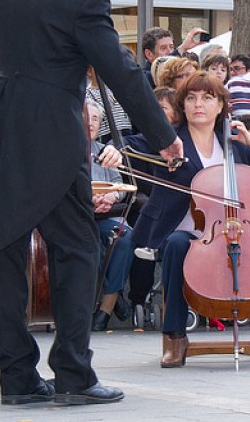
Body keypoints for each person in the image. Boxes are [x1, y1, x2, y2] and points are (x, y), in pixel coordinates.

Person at [0, 0, 181, 405]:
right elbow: (122, 72)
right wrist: (163, 135)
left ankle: (16, 377)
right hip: (53, 133)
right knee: (79, 248)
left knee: (6, 248)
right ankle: (73, 373)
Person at [124, 72, 250, 366]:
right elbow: (131, 146)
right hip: (185, 231)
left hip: (237, 232)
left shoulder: (234, 145)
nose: (199, 105)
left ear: (221, 105)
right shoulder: (170, 140)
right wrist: (110, 149)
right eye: (192, 98)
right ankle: (175, 337)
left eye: (208, 98)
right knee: (177, 245)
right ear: (182, 106)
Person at [84, 102, 138, 331]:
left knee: (126, 237)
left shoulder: (105, 151)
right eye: (86, 117)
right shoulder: (63, 148)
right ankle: (112, 297)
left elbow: (119, 185)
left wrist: (111, 197)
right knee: (90, 246)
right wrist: (88, 199)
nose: (90, 122)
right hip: (78, 218)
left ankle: (105, 308)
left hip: (105, 215)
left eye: (95, 119)